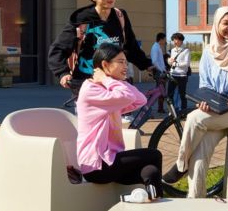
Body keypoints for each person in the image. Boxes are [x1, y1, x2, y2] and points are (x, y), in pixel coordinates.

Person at [162, 6, 228, 198]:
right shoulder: (209, 52)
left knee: (195, 119)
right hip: (217, 111)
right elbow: (205, 85)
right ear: (217, 25)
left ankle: (180, 165)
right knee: (199, 154)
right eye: (226, 23)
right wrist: (204, 102)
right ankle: (196, 203)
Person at [76, 42, 163, 197]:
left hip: (112, 161)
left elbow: (140, 99)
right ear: (105, 64)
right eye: (121, 62)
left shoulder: (107, 90)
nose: (126, 66)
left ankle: (155, 201)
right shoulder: (91, 89)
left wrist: (111, 80)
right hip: (97, 165)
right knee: (154, 155)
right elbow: (128, 96)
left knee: (151, 172)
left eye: (126, 62)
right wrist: (108, 80)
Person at [48, 0, 153, 99]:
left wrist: (147, 65)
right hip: (86, 82)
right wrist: (63, 73)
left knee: (117, 116)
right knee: (92, 118)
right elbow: (58, 49)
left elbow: (130, 47)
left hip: (113, 82)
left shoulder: (120, 17)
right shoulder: (82, 19)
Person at [167, 32, 191, 111]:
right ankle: (172, 111)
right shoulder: (173, 50)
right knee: (169, 95)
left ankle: (184, 111)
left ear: (181, 41)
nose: (175, 41)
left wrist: (176, 64)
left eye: (177, 39)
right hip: (172, 75)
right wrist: (169, 62)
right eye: (174, 39)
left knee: (182, 95)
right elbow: (171, 61)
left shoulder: (186, 51)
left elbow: (186, 64)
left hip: (182, 76)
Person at [150, 32, 167, 113]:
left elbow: (160, 61)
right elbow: (155, 61)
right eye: (164, 39)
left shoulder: (158, 47)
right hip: (158, 72)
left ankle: (160, 108)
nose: (165, 41)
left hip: (160, 71)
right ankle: (158, 108)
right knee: (160, 90)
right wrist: (161, 70)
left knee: (161, 90)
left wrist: (164, 69)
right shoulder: (155, 47)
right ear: (161, 39)